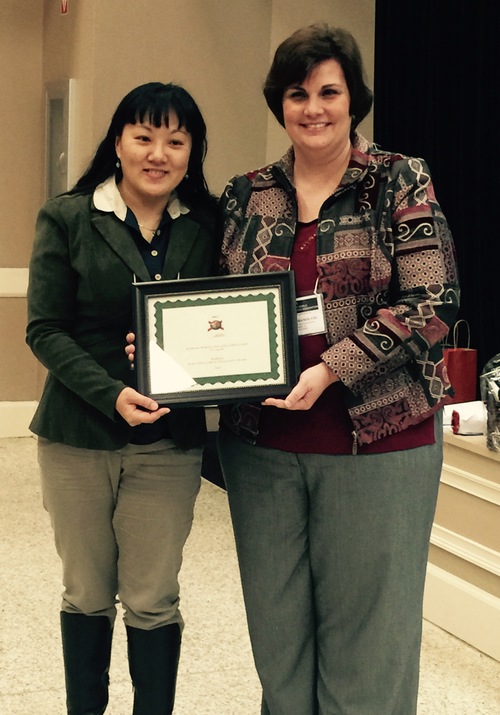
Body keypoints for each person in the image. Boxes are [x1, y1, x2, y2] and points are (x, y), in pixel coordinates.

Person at [216, 24, 460, 715]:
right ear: (279, 103)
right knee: (279, 642)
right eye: (298, 94)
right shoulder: (246, 193)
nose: (313, 108)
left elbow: (432, 301)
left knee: (368, 644)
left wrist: (330, 369)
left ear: (354, 99)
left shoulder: (399, 178)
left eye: (329, 91)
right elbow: (215, 304)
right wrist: (164, 353)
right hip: (262, 447)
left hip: (380, 441)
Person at [26, 82, 218, 715]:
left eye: (175, 141)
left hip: (169, 443)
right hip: (78, 436)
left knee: (153, 597)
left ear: (192, 153)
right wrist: (111, 394)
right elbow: (44, 330)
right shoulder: (68, 217)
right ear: (117, 143)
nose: (158, 153)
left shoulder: (210, 226)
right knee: (86, 592)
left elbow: (224, 323)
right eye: (143, 137)